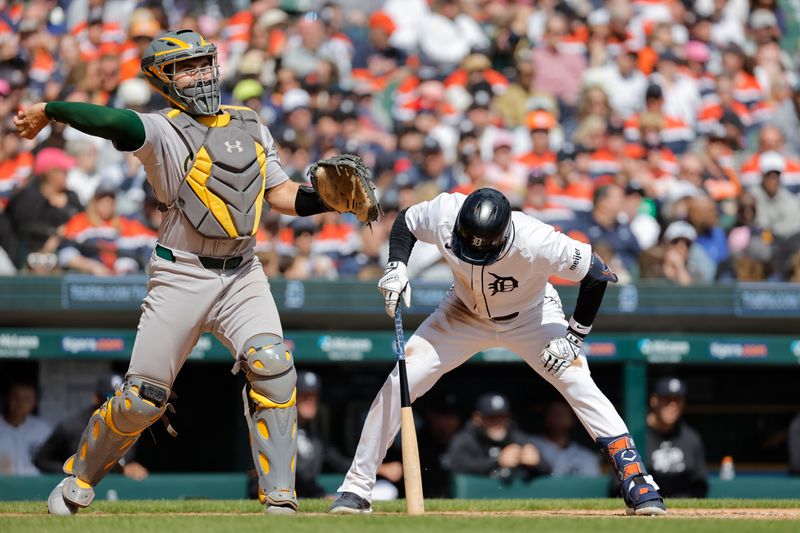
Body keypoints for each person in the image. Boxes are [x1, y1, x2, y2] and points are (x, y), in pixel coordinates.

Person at [15, 29, 360, 516]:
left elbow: (280, 195)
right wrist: (52, 110)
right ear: (163, 79)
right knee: (143, 398)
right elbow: (111, 120)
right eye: (186, 67)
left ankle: (280, 499)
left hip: (243, 271)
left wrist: (325, 200)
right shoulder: (160, 129)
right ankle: (80, 476)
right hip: (182, 272)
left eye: (203, 64)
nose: (199, 74)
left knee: (274, 367)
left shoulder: (251, 122)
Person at [329, 188, 666, 515]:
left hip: (532, 316)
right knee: (401, 379)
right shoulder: (447, 211)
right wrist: (397, 265)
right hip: (462, 312)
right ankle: (357, 487)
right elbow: (407, 220)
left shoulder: (537, 239)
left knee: (579, 381)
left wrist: (575, 336)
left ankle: (637, 479)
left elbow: (597, 273)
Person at [34, 375, 148, 480]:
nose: (116, 404)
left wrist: (131, 467)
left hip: (115, 490)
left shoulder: (132, 427)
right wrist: (70, 472)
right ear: (96, 398)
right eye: (111, 398)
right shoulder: (71, 426)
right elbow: (41, 460)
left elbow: (125, 463)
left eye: (122, 399)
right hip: (78, 489)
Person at [449, 393, 549, 482]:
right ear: (478, 418)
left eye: (502, 417)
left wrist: (536, 463)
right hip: (477, 495)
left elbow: (548, 468)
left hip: (511, 496)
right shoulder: (466, 438)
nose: (498, 423)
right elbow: (458, 466)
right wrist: (497, 461)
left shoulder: (515, 436)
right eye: (491, 417)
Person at [645, 378, 708, 498]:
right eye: (667, 399)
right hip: (646, 507)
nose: (673, 405)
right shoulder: (636, 437)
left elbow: (700, 485)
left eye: (677, 400)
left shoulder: (692, 438)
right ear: (654, 400)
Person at [293, 370, 351, 498]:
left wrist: (378, 469)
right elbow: (290, 474)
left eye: (313, 396)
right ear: (294, 397)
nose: (310, 401)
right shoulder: (281, 429)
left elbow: (338, 461)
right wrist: (320, 495)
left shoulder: (313, 434)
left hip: (307, 496)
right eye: (304, 395)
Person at [530, 400, 601, 477]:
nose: (557, 419)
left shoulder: (587, 458)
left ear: (572, 419)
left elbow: (592, 487)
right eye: (553, 413)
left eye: (562, 414)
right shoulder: (531, 445)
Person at [0, 382, 53, 475]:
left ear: (34, 403)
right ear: (7, 398)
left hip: (34, 485)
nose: (20, 403)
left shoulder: (43, 429)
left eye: (26, 399)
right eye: (15, 398)